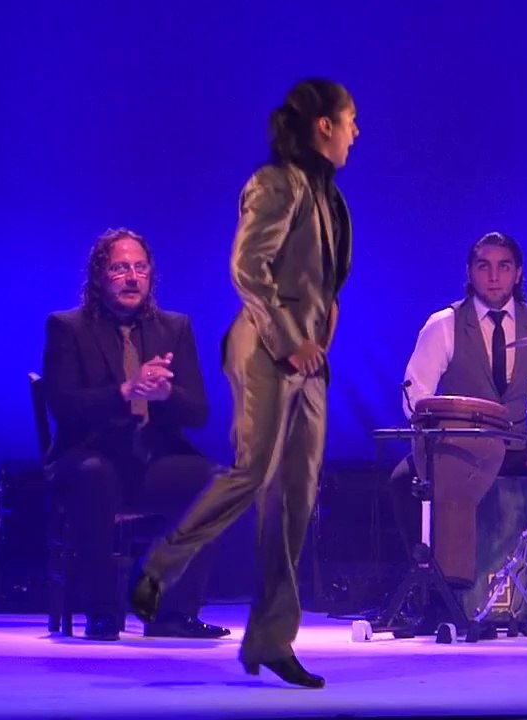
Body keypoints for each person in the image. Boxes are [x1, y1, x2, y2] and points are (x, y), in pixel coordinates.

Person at [130, 78, 358, 688]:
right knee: (252, 471)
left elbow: (326, 286)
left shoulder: (331, 199)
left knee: (295, 499)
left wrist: (320, 342)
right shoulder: (276, 182)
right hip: (265, 350)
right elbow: (247, 268)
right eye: (350, 119)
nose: (357, 132)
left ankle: (272, 639)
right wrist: (290, 339)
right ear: (324, 126)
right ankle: (160, 567)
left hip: (310, 362)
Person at [42, 227, 227, 642]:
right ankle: (103, 612)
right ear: (99, 275)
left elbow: (197, 412)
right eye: (120, 268)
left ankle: (171, 614)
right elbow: (65, 405)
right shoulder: (68, 328)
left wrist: (165, 394)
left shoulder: (174, 328)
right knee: (95, 474)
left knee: (214, 481)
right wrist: (126, 391)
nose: (131, 277)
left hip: (148, 460)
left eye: (140, 268)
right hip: (87, 458)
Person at [390, 231, 527, 620]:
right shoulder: (443, 324)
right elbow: (415, 395)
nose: (493, 276)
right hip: (462, 450)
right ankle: (435, 593)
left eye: (503, 266)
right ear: (470, 272)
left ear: (518, 274)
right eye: (484, 266)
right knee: (401, 482)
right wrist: (437, 441)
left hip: (518, 448)